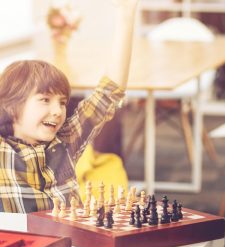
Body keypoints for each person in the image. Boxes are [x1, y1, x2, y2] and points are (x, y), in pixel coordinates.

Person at [0, 0, 138, 213]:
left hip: (70, 245)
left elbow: (110, 92)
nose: (57, 111)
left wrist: (126, 15)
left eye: (62, 102)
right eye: (45, 100)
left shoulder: (66, 141)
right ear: (10, 106)